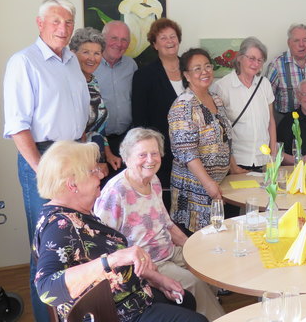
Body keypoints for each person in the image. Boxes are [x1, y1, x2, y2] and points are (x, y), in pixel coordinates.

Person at [33, 140, 205, 322]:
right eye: (93, 171)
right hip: (114, 314)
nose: (101, 175)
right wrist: (112, 259)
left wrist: (157, 279)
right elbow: (47, 288)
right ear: (72, 185)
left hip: (132, 298)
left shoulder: (79, 213)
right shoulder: (59, 226)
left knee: (186, 300)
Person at [3, 0, 90, 322]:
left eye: (68, 22)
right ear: (40, 24)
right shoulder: (23, 62)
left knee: (76, 243)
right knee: (47, 253)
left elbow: (78, 114)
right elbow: (17, 126)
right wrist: (43, 171)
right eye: (55, 21)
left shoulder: (72, 62)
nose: (63, 28)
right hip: (43, 159)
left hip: (74, 156)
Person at [94, 128, 225, 321]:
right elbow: (103, 244)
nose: (150, 160)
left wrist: (193, 246)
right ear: (127, 158)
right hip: (148, 263)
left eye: (154, 153)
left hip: (168, 250)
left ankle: (204, 311)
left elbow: (167, 224)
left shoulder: (153, 180)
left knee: (208, 263)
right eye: (142, 155)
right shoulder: (116, 192)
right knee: (194, 282)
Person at [171, 48, 246, 233]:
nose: (204, 72)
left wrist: (233, 167)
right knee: (200, 241)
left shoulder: (216, 99)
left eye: (207, 66)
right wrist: (208, 183)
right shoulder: (183, 105)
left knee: (221, 237)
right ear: (186, 75)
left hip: (219, 184)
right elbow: (187, 153)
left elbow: (225, 138)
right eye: (197, 68)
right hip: (194, 188)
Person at [132, 18, 183, 208]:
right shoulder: (144, 75)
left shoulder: (191, 68)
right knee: (163, 205)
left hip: (193, 153)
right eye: (163, 38)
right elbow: (140, 119)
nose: (170, 41)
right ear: (155, 44)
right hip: (161, 152)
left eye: (173, 36)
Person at [213, 37, 276, 170]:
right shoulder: (223, 86)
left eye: (260, 60)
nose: (255, 64)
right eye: (251, 58)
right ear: (240, 58)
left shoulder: (264, 84)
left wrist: (273, 156)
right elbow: (219, 130)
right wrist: (232, 165)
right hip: (237, 162)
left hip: (263, 159)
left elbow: (271, 121)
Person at [70, 27, 121, 178]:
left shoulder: (93, 81)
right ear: (73, 53)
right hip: (79, 163)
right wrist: (92, 164)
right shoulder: (70, 84)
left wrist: (108, 154)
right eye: (86, 52)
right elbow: (76, 131)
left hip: (97, 158)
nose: (92, 58)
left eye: (97, 53)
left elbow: (98, 127)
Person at [94, 20, 138, 160]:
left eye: (124, 40)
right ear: (102, 39)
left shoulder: (131, 65)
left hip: (127, 139)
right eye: (114, 38)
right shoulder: (90, 65)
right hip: (96, 141)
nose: (119, 44)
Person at [266, 23, 306, 124]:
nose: (301, 44)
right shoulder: (276, 65)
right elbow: (266, 99)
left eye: (305, 40)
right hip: (285, 121)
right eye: (296, 40)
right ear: (289, 43)